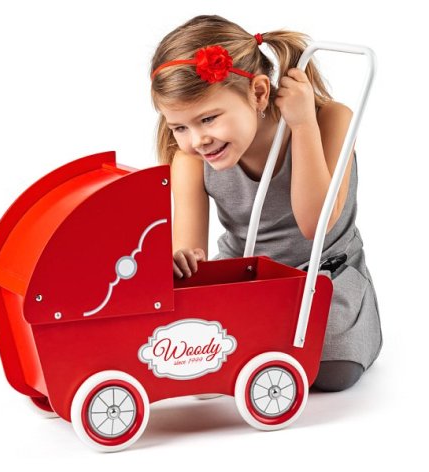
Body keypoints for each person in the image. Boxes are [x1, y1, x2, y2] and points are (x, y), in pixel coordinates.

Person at [150, 15, 382, 392]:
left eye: (208, 118)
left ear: (258, 93)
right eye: (180, 127)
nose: (197, 140)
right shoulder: (190, 159)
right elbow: (192, 255)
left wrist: (303, 125)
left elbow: (315, 225)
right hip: (247, 275)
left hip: (323, 274)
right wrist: (182, 261)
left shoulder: (330, 119)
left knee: (332, 367)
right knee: (195, 351)